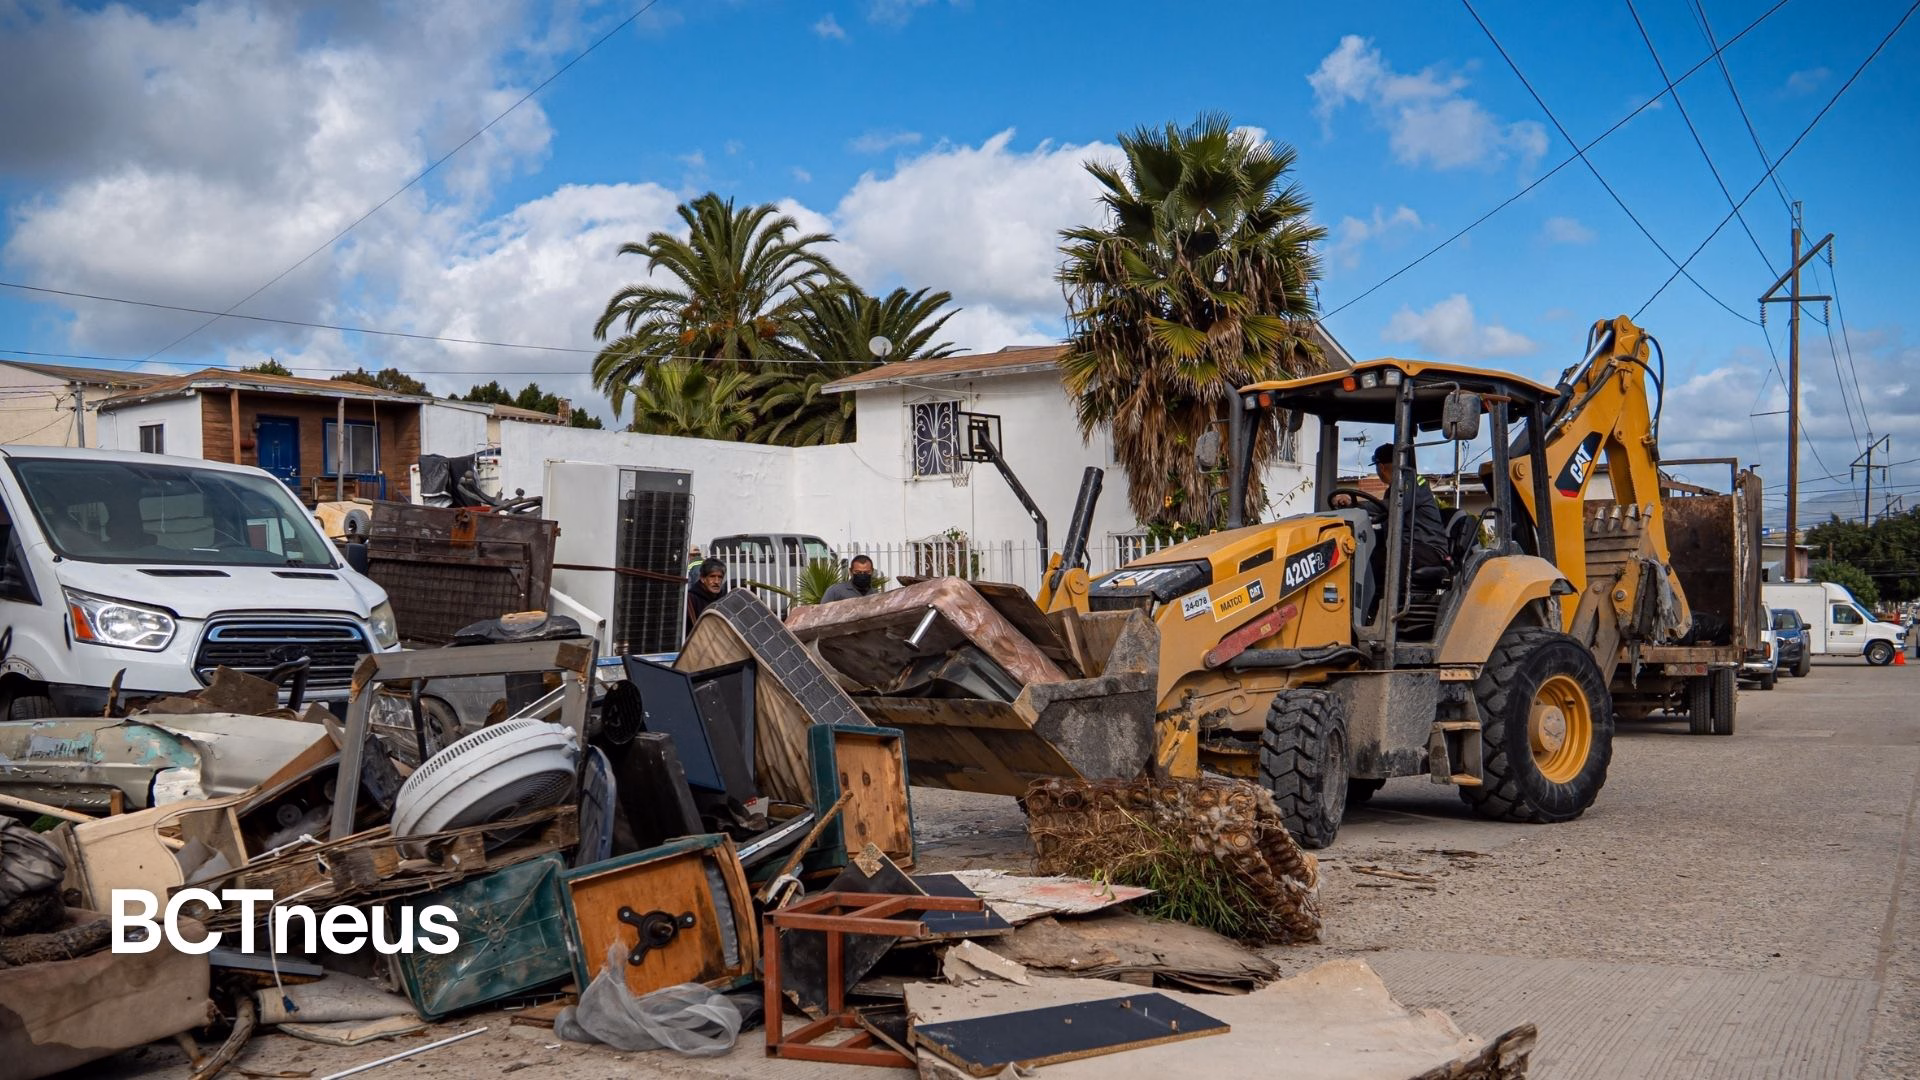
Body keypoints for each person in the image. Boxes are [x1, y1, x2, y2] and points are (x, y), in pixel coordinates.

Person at [687, 557, 726, 629]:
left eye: (720, 577)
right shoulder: (690, 600)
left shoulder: (724, 599)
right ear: (702, 578)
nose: (716, 581)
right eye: (712, 576)